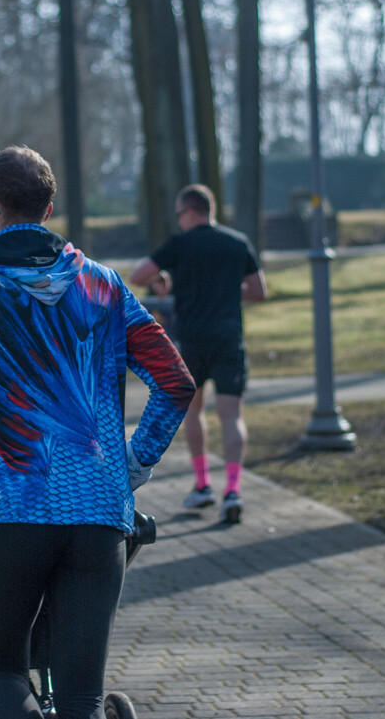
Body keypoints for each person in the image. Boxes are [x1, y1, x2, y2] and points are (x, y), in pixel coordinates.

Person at [0, 146, 195, 719]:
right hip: (99, 519)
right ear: (48, 210)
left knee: (4, 680)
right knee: (80, 699)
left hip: (12, 513)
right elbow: (175, 383)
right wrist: (133, 465)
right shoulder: (103, 284)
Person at [129, 183, 267, 524]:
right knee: (232, 415)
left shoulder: (179, 244)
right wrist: (227, 293)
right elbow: (258, 291)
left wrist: (162, 277)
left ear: (191, 212)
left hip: (191, 340)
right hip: (228, 338)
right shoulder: (237, 243)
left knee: (194, 411)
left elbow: (138, 275)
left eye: (179, 214)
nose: (179, 220)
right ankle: (232, 490)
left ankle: (203, 484)